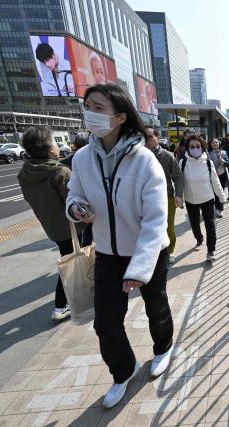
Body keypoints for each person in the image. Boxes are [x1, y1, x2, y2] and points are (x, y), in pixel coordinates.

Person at [65, 84, 173, 409]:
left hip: (148, 252)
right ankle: (123, 371)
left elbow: (156, 221)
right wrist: (76, 208)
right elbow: (74, 194)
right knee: (106, 322)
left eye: (98, 107)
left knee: (156, 306)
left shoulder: (145, 162)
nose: (90, 113)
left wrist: (140, 269)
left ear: (120, 117)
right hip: (109, 255)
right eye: (87, 106)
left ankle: (163, 347)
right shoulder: (83, 158)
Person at [17, 126, 84, 321]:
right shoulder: (60, 172)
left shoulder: (25, 173)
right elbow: (76, 202)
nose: (58, 147)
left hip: (51, 227)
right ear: (47, 148)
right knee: (70, 264)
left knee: (69, 258)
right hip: (72, 227)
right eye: (55, 143)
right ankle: (60, 305)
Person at [179, 135, 226, 261]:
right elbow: (180, 183)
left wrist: (221, 197)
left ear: (202, 147)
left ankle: (211, 251)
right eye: (192, 147)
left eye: (198, 146)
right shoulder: (183, 163)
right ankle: (199, 240)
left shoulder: (208, 163)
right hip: (190, 200)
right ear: (188, 149)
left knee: (210, 225)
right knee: (194, 224)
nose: (195, 149)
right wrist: (180, 198)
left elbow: (216, 182)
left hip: (207, 199)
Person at [144, 125, 184, 262]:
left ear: (157, 137)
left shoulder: (167, 156)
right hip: (144, 200)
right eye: (144, 137)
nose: (147, 140)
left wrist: (179, 195)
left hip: (166, 198)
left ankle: (169, 251)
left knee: (168, 227)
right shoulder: (138, 157)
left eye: (150, 136)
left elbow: (178, 177)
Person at [207, 139, 229, 218]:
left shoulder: (223, 153)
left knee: (221, 191)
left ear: (219, 144)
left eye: (216, 142)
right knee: (215, 192)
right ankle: (218, 207)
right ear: (211, 144)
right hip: (212, 176)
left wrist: (222, 161)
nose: (215, 144)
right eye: (213, 142)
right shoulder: (208, 154)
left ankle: (220, 208)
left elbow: (228, 164)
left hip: (222, 175)